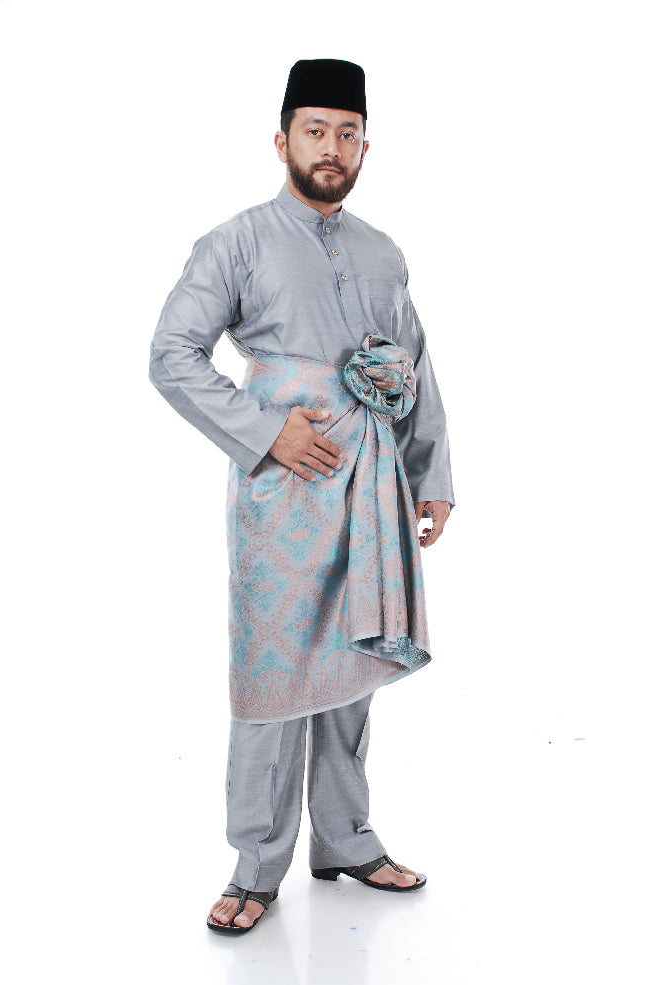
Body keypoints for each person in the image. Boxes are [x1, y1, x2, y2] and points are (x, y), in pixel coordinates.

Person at [149, 58, 455, 935]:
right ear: (282, 140)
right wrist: (264, 432)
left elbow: (414, 362)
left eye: (348, 134)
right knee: (273, 675)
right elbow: (171, 355)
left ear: (365, 147)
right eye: (316, 131)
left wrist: (431, 475)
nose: (332, 147)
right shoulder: (236, 242)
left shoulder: (383, 250)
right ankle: (256, 864)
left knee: (354, 664)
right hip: (283, 489)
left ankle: (346, 840)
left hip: (375, 484)